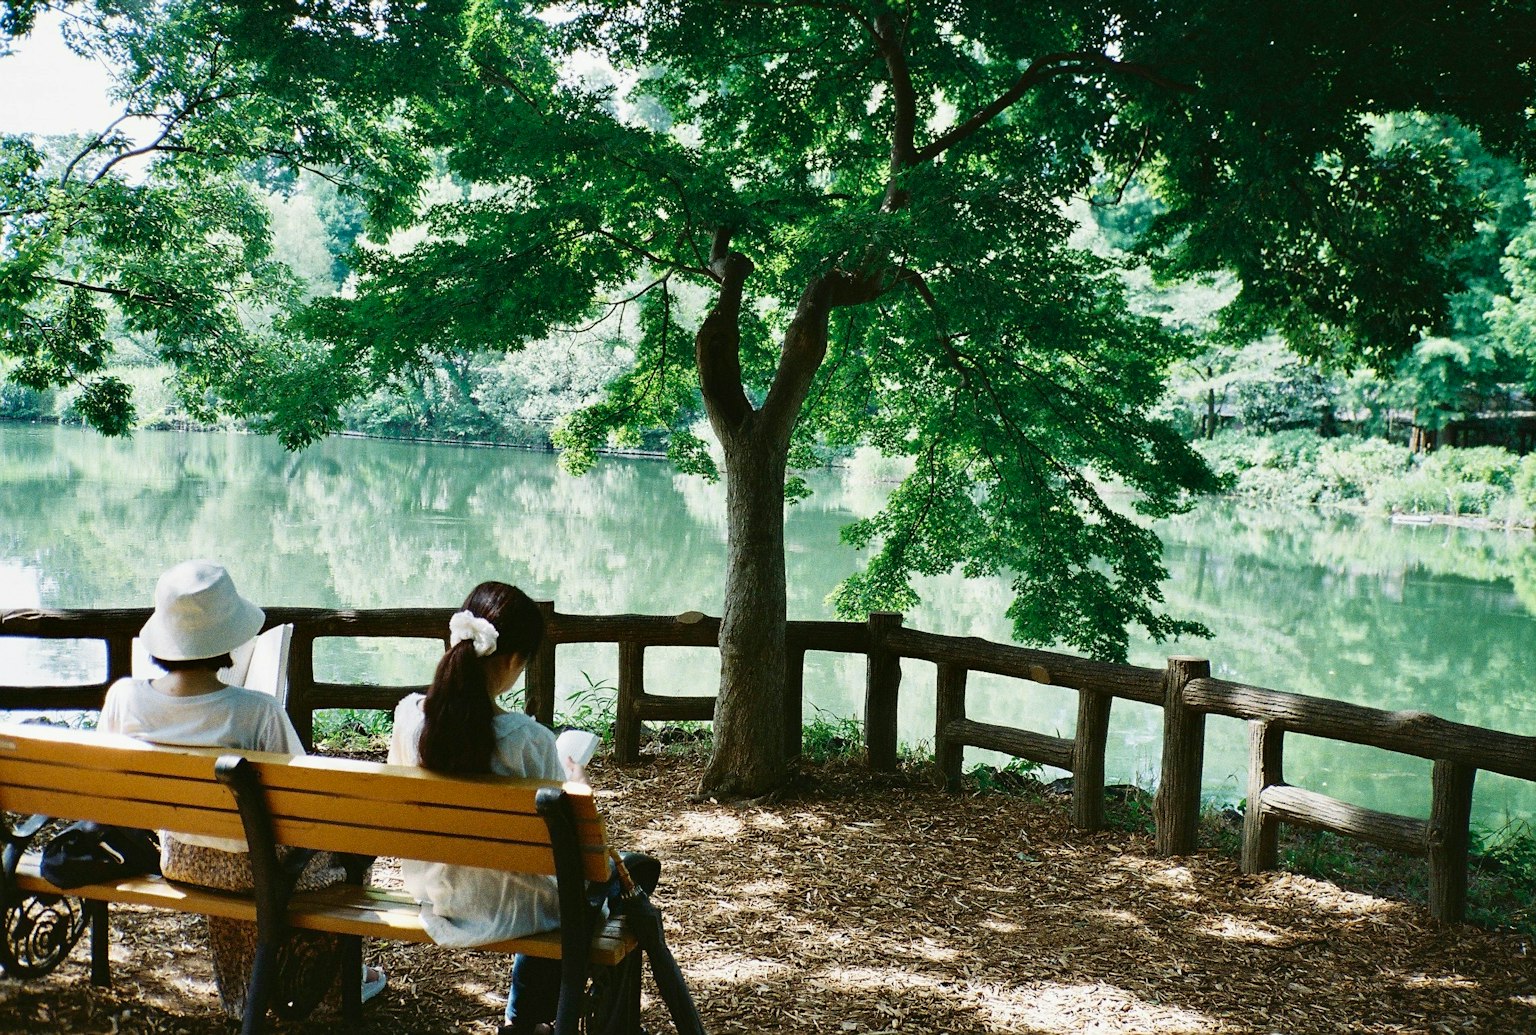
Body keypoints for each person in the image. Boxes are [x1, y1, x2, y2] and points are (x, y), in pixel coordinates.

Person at [98, 559, 386, 1020]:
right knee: (338, 863)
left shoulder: (124, 698)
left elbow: (106, 789)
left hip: (180, 860)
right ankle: (329, 992)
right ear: (227, 639)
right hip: (259, 872)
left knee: (244, 858)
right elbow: (305, 806)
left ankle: (242, 993)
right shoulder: (257, 712)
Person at [389, 582, 658, 1035]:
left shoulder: (409, 718)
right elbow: (577, 853)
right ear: (514, 660)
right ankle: (543, 1020)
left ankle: (530, 1019)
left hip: (440, 893)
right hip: (513, 907)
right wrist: (577, 784)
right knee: (634, 874)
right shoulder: (526, 740)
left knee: (566, 888)